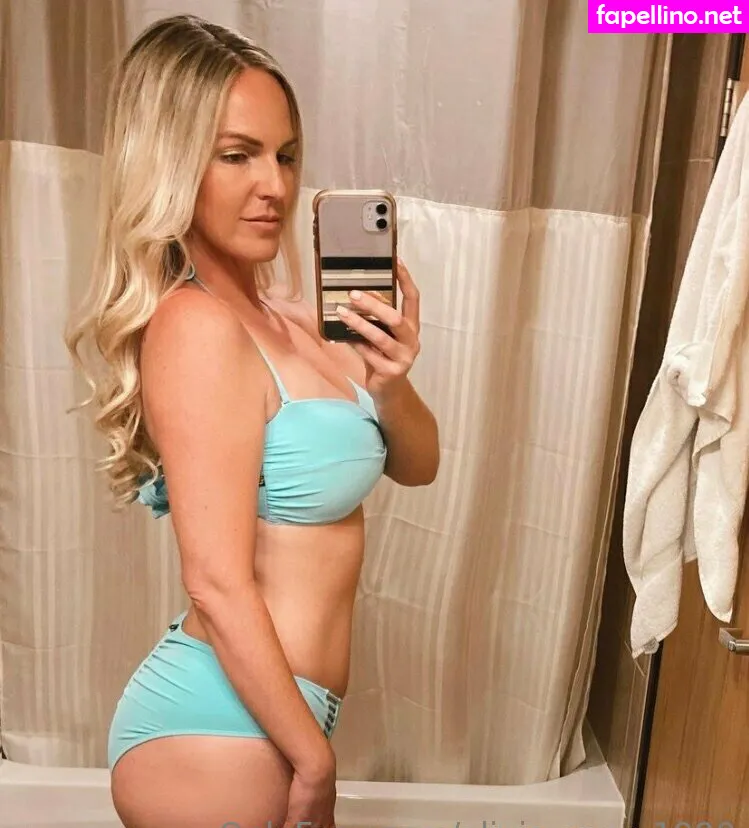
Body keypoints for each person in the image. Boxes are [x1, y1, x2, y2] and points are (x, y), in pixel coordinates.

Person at [64, 13, 439, 828]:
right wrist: (313, 761)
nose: (274, 184)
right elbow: (215, 580)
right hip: (214, 732)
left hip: (273, 717)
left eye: (285, 155)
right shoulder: (196, 326)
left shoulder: (291, 319)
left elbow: (417, 467)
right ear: (173, 165)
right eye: (237, 155)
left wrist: (391, 383)